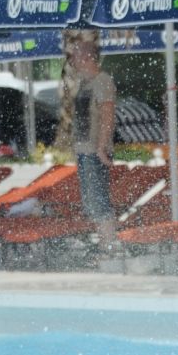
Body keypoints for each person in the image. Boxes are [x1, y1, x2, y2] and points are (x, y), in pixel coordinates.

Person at [64, 30, 118, 250]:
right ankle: (104, 243)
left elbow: (107, 115)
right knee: (91, 202)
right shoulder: (85, 84)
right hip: (84, 150)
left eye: (74, 58)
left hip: (96, 151)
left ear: (87, 58)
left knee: (99, 200)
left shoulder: (103, 81)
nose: (72, 63)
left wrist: (102, 147)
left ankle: (109, 245)